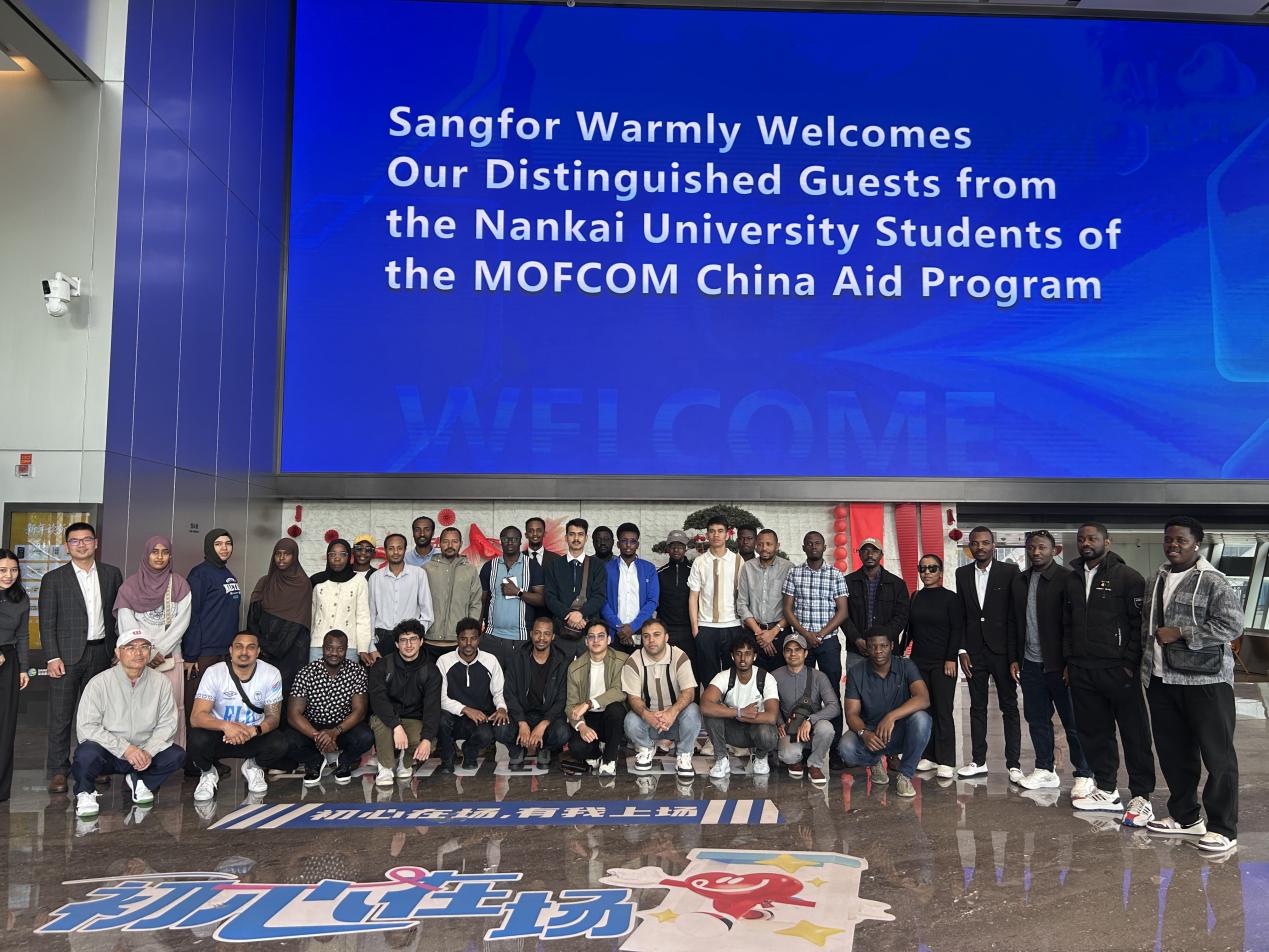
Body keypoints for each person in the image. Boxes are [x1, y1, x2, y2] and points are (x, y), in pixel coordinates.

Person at [1141, 517, 1243, 854]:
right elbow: (1147, 627)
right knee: (1174, 754)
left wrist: (1183, 633)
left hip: (1206, 682)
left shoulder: (1213, 580)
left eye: (1181, 540)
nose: (1173, 545)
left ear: (1196, 543)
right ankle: (1185, 818)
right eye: (1168, 539)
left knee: (1218, 756)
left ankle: (1223, 828)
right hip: (1161, 679)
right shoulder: (1156, 578)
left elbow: (1232, 625)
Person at [1062, 522, 1154, 826]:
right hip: (1083, 670)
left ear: (1107, 542)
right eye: (1081, 539)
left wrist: (1129, 664)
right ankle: (1107, 789)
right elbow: (1067, 623)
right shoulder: (1072, 578)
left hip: (1118, 670)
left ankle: (1141, 796)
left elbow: (1139, 625)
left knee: (1134, 734)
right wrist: (1070, 661)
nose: (1086, 543)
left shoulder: (1128, 577)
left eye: (1092, 538)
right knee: (1094, 733)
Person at [41, 522, 124, 794]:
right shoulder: (53, 579)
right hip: (65, 656)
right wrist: (52, 656)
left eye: (87, 539)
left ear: (96, 543)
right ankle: (58, 770)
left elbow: (118, 615)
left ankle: (92, 765)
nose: (81, 545)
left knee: (96, 715)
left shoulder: (112, 574)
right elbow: (47, 622)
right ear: (67, 546)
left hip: (101, 652)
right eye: (75, 541)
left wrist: (118, 649)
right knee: (61, 715)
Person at [1012, 530, 1093, 795]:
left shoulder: (1068, 578)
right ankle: (1045, 769)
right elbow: (1015, 623)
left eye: (1042, 547)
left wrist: (1071, 662)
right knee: (1037, 719)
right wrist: (1015, 658)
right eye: (1031, 548)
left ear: (1054, 550)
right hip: (1030, 663)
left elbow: (1076, 624)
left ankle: (1084, 773)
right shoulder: (1021, 580)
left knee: (1073, 721)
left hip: (1060, 665)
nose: (1036, 552)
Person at [71, 630, 184, 818]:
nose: (138, 653)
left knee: (176, 755)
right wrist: (125, 749)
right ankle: (85, 792)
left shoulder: (161, 682)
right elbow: (87, 727)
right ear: (118, 652)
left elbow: (167, 724)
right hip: (109, 752)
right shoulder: (99, 683)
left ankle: (141, 782)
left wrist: (148, 751)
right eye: (130, 648)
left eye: (144, 647)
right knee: (86, 754)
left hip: (143, 753)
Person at [955, 526, 1022, 781]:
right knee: (977, 707)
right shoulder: (961, 573)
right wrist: (962, 649)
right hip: (974, 652)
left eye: (985, 542)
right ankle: (978, 761)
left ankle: (1014, 765)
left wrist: (1014, 657)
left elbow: (1014, 616)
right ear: (969, 546)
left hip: (1002, 652)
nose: (980, 547)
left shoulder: (1010, 572)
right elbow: (962, 615)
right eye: (975, 543)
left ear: (994, 545)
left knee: (1009, 707)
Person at [187, 631, 288, 801]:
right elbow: (196, 717)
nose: (244, 652)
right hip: (221, 735)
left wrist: (253, 730)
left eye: (251, 647)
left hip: (251, 734)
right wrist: (227, 726)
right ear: (231, 650)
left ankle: (253, 767)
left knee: (279, 742)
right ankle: (208, 773)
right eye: (239, 647)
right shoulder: (214, 672)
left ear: (258, 651)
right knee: (197, 738)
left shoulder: (271, 673)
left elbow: (274, 717)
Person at [114, 536, 192, 747]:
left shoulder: (180, 585)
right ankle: (136, 756)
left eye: (165, 552)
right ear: (146, 555)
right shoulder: (129, 587)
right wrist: (146, 654)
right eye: (154, 552)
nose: (159, 557)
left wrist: (160, 651)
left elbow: (182, 623)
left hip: (169, 659)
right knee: (137, 710)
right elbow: (127, 625)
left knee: (171, 709)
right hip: (137, 660)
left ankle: (170, 756)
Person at [838, 629, 932, 798]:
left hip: (900, 731)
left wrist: (891, 716)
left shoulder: (906, 665)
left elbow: (923, 698)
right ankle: (875, 762)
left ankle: (905, 775)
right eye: (873, 646)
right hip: (872, 733)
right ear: (867, 647)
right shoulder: (856, 672)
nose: (878, 651)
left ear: (892, 646)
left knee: (922, 719)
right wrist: (864, 733)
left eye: (884, 646)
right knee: (846, 747)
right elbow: (851, 714)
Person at [782, 531, 849, 747]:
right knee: (804, 693)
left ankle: (836, 748)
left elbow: (842, 611)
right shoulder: (794, 573)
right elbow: (788, 609)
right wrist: (805, 634)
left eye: (817, 543)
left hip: (827, 642)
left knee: (832, 694)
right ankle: (804, 746)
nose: (813, 546)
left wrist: (819, 634)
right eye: (809, 543)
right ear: (803, 547)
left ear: (824, 547)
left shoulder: (835, 574)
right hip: (802, 643)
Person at [899, 554, 962, 779]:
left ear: (940, 572)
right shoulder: (915, 597)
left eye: (932, 568)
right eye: (923, 568)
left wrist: (951, 658)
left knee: (943, 710)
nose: (927, 572)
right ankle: (928, 755)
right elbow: (909, 630)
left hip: (943, 662)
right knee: (924, 709)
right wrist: (898, 654)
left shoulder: (951, 598)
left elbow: (957, 630)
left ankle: (946, 760)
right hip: (919, 662)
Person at [286, 629, 374, 785]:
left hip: (343, 727)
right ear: (322, 648)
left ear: (346, 650)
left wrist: (334, 732)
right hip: (312, 728)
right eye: (329, 648)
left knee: (366, 737)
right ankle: (314, 760)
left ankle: (344, 761)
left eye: (340, 649)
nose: (334, 653)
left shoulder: (357, 672)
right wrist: (318, 737)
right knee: (287, 740)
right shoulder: (306, 672)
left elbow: (359, 711)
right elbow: (293, 714)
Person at [621, 619, 700, 781]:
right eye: (646, 636)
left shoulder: (679, 656)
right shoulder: (633, 661)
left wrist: (672, 712)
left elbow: (689, 692)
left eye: (657, 635)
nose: (651, 640)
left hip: (675, 720)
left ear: (666, 637)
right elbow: (633, 698)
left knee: (693, 711)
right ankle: (646, 748)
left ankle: (684, 754)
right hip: (650, 721)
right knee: (630, 720)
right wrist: (647, 715)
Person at [366, 619, 442, 785]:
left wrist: (426, 739)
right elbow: (378, 700)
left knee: (428, 743)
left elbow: (432, 708)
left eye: (413, 639)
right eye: (403, 640)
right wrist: (396, 726)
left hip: (413, 718)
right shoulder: (382, 666)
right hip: (385, 717)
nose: (408, 645)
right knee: (381, 723)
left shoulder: (431, 671)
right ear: (396, 643)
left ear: (421, 641)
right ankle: (385, 767)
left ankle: (405, 761)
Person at [436, 618, 514, 771]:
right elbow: (440, 698)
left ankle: (469, 751)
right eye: (463, 639)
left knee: (487, 734)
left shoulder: (490, 660)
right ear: (457, 639)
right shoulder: (444, 661)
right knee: (440, 719)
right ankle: (448, 758)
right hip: (453, 717)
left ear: (479, 639)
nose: (468, 643)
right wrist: (465, 709)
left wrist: (501, 707)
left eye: (473, 638)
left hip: (480, 718)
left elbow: (498, 691)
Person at [699, 632, 780, 778]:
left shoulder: (766, 678)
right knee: (711, 714)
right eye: (739, 653)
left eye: (748, 654)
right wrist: (739, 712)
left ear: (754, 656)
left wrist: (742, 716)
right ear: (732, 656)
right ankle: (721, 759)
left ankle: (760, 757)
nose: (743, 659)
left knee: (767, 733)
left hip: (756, 729)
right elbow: (704, 705)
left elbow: (772, 717)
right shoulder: (724, 676)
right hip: (732, 729)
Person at [772, 633, 839, 785]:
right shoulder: (774, 676)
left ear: (806, 653)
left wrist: (811, 720)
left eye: (798, 650)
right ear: (783, 653)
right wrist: (779, 722)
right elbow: (769, 703)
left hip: (813, 727)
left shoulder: (819, 676)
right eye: (788, 650)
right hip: (790, 728)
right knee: (788, 756)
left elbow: (834, 706)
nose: (793, 654)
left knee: (827, 729)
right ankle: (796, 760)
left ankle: (815, 764)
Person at [503, 617, 570, 769]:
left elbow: (561, 699)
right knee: (501, 729)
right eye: (538, 633)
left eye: (546, 634)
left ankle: (544, 748)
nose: (541, 638)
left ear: (553, 637)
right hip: (522, 713)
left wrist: (544, 724)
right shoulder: (517, 658)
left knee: (562, 733)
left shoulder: (562, 661)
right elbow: (509, 693)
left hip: (547, 715)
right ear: (531, 634)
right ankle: (516, 750)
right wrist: (521, 722)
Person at [246, 537, 311, 694]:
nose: (281, 558)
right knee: (260, 691)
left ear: (294, 556)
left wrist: (276, 648)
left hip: (291, 651)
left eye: (287, 554)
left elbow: (299, 622)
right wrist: (262, 646)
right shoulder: (265, 582)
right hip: (263, 650)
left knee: (287, 693)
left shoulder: (303, 584)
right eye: (278, 554)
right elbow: (253, 618)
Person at [565, 620, 627, 775]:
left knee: (616, 709)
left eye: (601, 636)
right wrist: (582, 726)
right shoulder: (575, 667)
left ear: (609, 639)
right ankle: (597, 753)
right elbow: (571, 705)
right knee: (577, 748)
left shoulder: (622, 660)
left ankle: (609, 758)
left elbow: (620, 691)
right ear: (586, 641)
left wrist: (589, 703)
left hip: (612, 717)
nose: (596, 640)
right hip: (589, 717)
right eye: (591, 637)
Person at [688, 516, 745, 685]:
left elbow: (743, 594)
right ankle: (710, 703)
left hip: (733, 625)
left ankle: (731, 703)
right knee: (708, 677)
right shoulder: (699, 562)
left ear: (727, 534)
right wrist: (695, 629)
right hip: (706, 627)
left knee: (732, 676)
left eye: (720, 531)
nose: (716, 535)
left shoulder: (738, 560)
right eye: (712, 531)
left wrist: (743, 624)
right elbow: (693, 596)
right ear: (707, 535)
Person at [479, 526, 545, 668]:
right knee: (490, 680)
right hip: (491, 637)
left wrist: (518, 592)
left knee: (517, 680)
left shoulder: (532, 566)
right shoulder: (489, 566)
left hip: (521, 638)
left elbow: (541, 599)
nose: (510, 542)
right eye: (506, 539)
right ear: (500, 541)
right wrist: (477, 632)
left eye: (514, 539)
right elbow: (481, 601)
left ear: (521, 541)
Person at [843, 539, 909, 674]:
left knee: (888, 686)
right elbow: (843, 615)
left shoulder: (897, 584)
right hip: (857, 650)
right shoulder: (847, 582)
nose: (870, 554)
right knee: (856, 686)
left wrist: (882, 641)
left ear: (881, 554)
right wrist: (857, 639)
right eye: (865, 551)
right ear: (859, 554)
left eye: (874, 551)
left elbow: (902, 616)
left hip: (887, 650)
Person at [544, 518, 607, 661]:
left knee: (589, 671)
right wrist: (569, 615)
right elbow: (549, 597)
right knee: (560, 671)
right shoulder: (555, 565)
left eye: (580, 534)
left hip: (589, 631)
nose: (576, 538)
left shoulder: (597, 565)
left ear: (586, 538)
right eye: (572, 534)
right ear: (566, 537)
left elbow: (599, 596)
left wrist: (581, 614)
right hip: (561, 631)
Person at [368, 533, 433, 659]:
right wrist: (371, 646)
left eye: (399, 548)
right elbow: (371, 614)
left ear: (405, 549)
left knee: (410, 671)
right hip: (382, 637)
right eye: (391, 548)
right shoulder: (375, 578)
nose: (396, 552)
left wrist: (416, 636)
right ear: (385, 550)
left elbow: (427, 613)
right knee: (383, 671)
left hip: (409, 637)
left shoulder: (418, 574)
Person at [423, 527, 483, 662]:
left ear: (461, 543)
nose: (450, 545)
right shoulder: (427, 568)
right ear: (439, 543)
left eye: (454, 541)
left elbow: (475, 603)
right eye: (446, 541)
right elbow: (418, 603)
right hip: (429, 641)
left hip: (458, 642)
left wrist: (468, 633)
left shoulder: (470, 570)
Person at [737, 528, 792, 672]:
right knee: (754, 678)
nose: (764, 548)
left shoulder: (788, 568)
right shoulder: (748, 567)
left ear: (777, 546)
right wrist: (760, 634)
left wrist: (773, 633)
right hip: (753, 633)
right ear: (756, 545)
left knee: (779, 677)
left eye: (769, 544)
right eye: (760, 544)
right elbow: (742, 604)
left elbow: (794, 607)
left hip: (780, 632)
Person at [310, 539, 372, 664]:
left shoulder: (359, 581)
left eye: (342, 554)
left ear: (349, 557)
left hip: (349, 646)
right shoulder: (317, 581)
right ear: (328, 557)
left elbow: (363, 617)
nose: (337, 558)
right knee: (316, 677)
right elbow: (311, 615)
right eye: (332, 554)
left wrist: (363, 648)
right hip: (318, 645)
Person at [0, 549, 30, 801]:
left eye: (13, 570)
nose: (9, 575)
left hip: (8, 663)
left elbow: (22, 635)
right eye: (2, 570)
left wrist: (23, 668)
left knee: (5, 726)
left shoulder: (20, 598)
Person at [601, 523, 658, 652]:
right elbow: (602, 601)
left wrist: (632, 627)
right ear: (618, 544)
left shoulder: (649, 568)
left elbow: (652, 601)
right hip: (614, 633)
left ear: (637, 545)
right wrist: (619, 627)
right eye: (624, 541)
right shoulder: (606, 569)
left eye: (632, 541)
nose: (628, 545)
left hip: (642, 632)